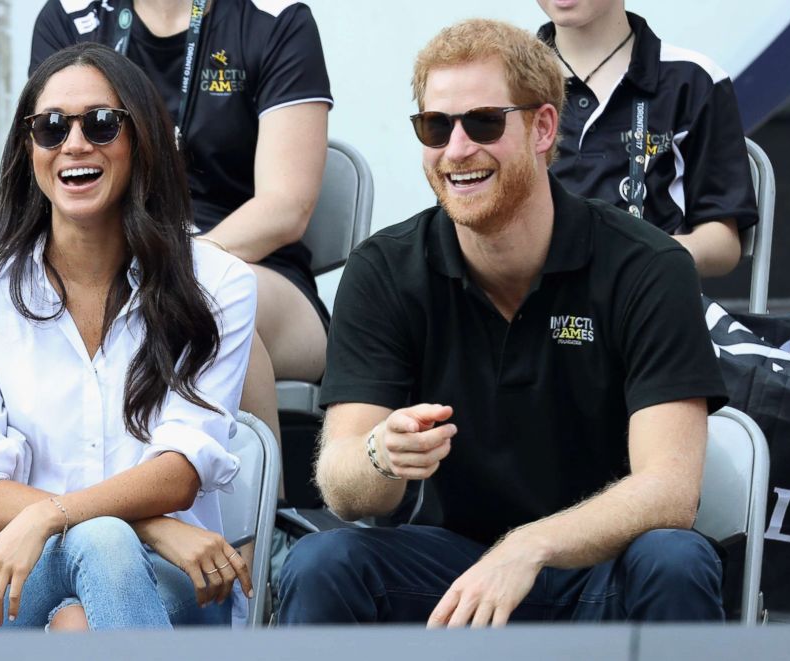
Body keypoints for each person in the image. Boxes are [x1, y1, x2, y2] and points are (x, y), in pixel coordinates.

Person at [278, 18, 730, 626]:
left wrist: (529, 545)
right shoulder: (385, 269)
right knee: (321, 562)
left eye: (484, 122)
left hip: (599, 564)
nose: (457, 149)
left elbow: (671, 490)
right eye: (436, 127)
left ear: (544, 128)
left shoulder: (647, 266)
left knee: (676, 559)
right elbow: (343, 483)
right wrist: (380, 455)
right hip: (449, 569)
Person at [0, 43, 256, 631]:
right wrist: (145, 521)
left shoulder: (218, 282)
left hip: (168, 573)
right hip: (1, 570)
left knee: (84, 608)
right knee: (103, 540)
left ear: (142, 140)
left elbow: (180, 469)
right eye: (51, 127)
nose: (74, 143)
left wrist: (51, 515)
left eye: (102, 124)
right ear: (29, 149)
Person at [30, 0, 332, 442]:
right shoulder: (69, 16)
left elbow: (286, 208)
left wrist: (165, 266)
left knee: (203, 301)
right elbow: (46, 161)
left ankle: (265, 507)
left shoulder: (275, 18)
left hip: (254, 266)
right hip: (103, 258)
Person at [536, 0, 758, 277]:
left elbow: (723, 243)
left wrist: (641, 257)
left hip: (647, 299)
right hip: (530, 303)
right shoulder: (505, 80)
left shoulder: (694, 79)